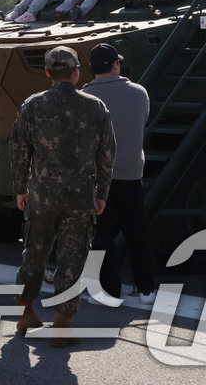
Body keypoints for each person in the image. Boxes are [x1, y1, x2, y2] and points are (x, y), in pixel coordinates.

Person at [9, 46, 115, 347]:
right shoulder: (95, 107)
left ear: (47, 73)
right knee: (72, 259)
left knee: (34, 253)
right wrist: (102, 192)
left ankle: (26, 313)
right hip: (79, 196)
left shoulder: (33, 105)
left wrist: (20, 188)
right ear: (77, 71)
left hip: (41, 195)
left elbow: (19, 150)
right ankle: (62, 325)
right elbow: (107, 154)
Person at [82, 43, 157, 305]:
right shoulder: (139, 93)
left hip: (98, 180)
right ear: (115, 64)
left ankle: (109, 292)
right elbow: (141, 123)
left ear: (92, 68)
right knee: (137, 233)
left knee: (101, 237)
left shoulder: (85, 98)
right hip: (131, 174)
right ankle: (146, 289)